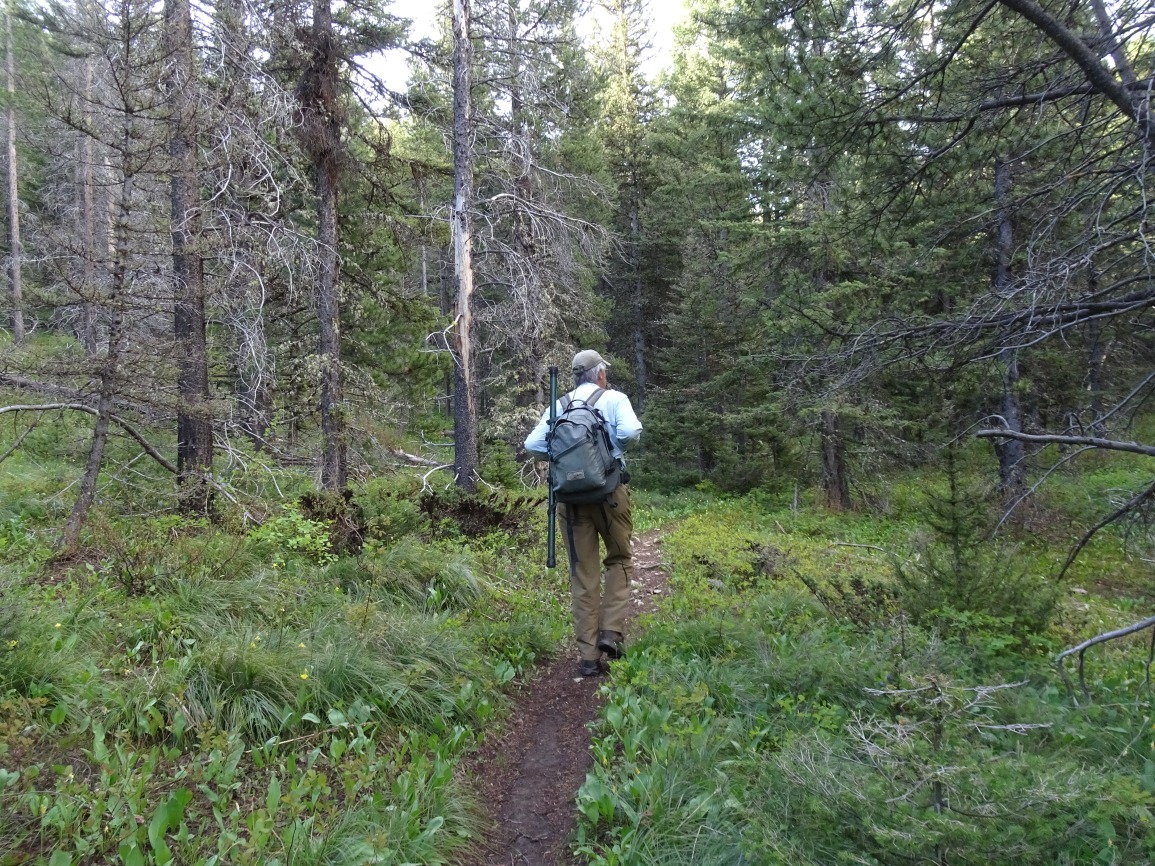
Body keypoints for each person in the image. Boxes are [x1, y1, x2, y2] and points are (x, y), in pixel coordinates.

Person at [524, 350, 643, 677]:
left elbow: (532, 445)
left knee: (582, 572)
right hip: (609, 494)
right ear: (600, 374)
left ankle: (589, 658)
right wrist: (611, 451)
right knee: (619, 559)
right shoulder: (614, 399)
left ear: (576, 376)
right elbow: (631, 432)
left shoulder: (558, 406)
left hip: (570, 501)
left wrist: (563, 458)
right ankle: (611, 632)